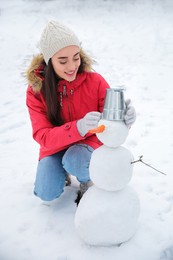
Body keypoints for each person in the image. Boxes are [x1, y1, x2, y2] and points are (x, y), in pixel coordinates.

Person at [26, 21, 136, 205]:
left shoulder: (95, 81)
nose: (71, 66)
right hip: (55, 147)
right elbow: (42, 135)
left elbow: (110, 121)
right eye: (63, 60)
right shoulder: (37, 91)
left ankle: (87, 179)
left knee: (76, 160)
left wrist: (125, 119)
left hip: (88, 145)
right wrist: (77, 127)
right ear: (49, 60)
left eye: (76, 57)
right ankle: (62, 170)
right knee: (46, 192)